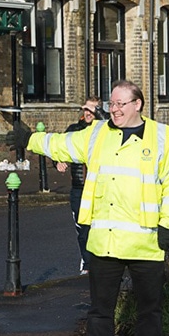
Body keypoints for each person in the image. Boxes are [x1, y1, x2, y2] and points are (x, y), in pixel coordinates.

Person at [7, 80, 169, 336]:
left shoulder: (160, 138)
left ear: (137, 104)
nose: (114, 109)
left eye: (120, 104)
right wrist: (30, 139)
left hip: (147, 241)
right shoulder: (97, 134)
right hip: (105, 240)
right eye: (111, 104)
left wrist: (168, 225)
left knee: (150, 309)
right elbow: (62, 144)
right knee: (100, 310)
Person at [55, 97, 100, 276]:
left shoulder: (104, 131)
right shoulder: (74, 130)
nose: (88, 113)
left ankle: (99, 264)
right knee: (82, 229)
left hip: (98, 188)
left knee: (98, 229)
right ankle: (87, 264)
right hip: (79, 188)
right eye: (85, 110)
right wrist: (58, 161)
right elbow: (59, 148)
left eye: (92, 110)